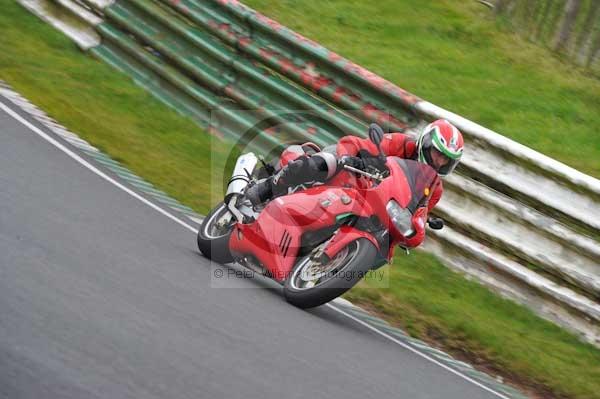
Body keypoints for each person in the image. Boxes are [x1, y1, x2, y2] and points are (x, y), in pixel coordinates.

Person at [245, 119, 464, 214]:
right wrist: (353, 158)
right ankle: (267, 188)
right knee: (325, 163)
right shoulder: (400, 143)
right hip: (351, 169)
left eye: (445, 160)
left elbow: (420, 213)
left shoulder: (433, 189)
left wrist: (417, 226)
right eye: (437, 154)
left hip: (370, 201)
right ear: (425, 143)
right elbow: (365, 145)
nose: (439, 162)